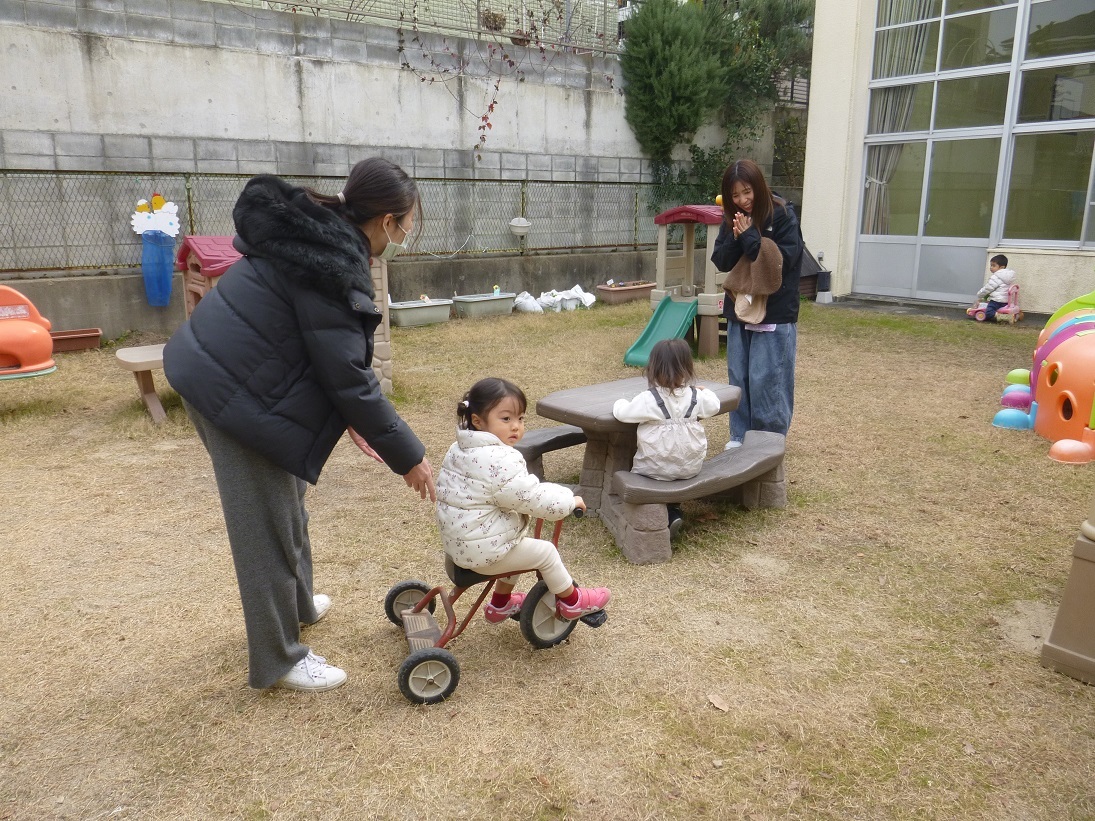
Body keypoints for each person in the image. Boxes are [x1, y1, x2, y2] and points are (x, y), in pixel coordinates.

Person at [163, 158, 437, 693]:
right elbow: (350, 379)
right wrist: (410, 457)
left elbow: (324, 357)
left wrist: (353, 418)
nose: (405, 233)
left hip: (237, 377)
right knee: (264, 528)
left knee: (288, 499)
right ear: (386, 221)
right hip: (226, 392)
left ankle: (301, 604)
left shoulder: (324, 235)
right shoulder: (332, 266)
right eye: (406, 223)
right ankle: (279, 659)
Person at [435, 377, 612, 623]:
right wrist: (569, 501)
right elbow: (532, 497)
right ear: (478, 420)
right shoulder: (500, 459)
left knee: (517, 543)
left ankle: (500, 605)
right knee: (545, 552)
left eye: (520, 418)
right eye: (506, 419)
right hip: (482, 551)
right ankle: (572, 602)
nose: (515, 426)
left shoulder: (460, 448)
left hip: (459, 544)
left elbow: (514, 492)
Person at [711, 159, 805, 449]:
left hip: (774, 312)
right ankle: (739, 436)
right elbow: (722, 260)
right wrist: (738, 237)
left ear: (759, 187)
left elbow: (784, 262)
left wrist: (751, 236)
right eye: (735, 195)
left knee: (768, 377)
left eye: (747, 192)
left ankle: (768, 440)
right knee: (739, 377)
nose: (743, 200)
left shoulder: (783, 215)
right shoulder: (734, 218)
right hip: (741, 309)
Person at [611, 338, 721, 538]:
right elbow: (715, 405)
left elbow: (622, 413)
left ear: (653, 368)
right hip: (690, 468)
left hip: (653, 470)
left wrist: (619, 401)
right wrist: (706, 391)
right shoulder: (696, 396)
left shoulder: (648, 399)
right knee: (673, 465)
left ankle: (667, 513)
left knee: (658, 467)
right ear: (688, 367)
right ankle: (673, 510)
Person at [970, 254, 1017, 321]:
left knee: (988, 312)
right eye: (991, 265)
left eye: (993, 265)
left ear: (1001, 267)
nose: (991, 267)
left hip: (997, 301)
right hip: (1006, 300)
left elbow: (988, 288)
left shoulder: (996, 277)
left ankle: (1004, 318)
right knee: (988, 301)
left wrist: (980, 294)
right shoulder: (1008, 277)